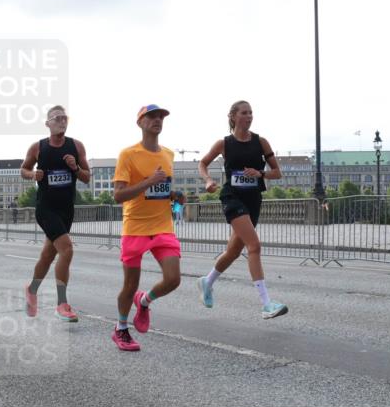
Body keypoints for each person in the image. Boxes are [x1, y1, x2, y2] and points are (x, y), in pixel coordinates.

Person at [197, 100, 288, 319]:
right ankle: (266, 304)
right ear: (233, 116)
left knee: (233, 251)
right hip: (232, 197)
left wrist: (261, 174)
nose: (249, 116)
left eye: (251, 113)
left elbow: (277, 172)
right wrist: (208, 180)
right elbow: (203, 163)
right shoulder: (224, 144)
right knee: (254, 245)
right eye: (244, 113)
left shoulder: (261, 142)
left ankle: (207, 282)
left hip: (253, 199)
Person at [110, 105, 183, 351]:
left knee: (173, 279)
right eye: (152, 116)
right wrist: (148, 182)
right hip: (135, 228)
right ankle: (121, 329)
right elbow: (118, 196)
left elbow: (160, 190)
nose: (158, 120)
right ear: (140, 122)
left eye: (161, 116)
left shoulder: (169, 154)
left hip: (163, 227)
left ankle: (145, 300)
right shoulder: (128, 154)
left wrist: (174, 194)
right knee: (129, 285)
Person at [20, 105, 90, 322]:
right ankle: (62, 303)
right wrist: (33, 174)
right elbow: (23, 170)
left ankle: (31, 290)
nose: (61, 121)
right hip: (46, 208)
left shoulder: (76, 146)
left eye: (64, 117)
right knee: (67, 249)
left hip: (66, 209)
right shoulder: (38, 148)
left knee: (48, 255)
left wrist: (75, 168)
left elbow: (87, 177)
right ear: (47, 123)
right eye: (56, 118)